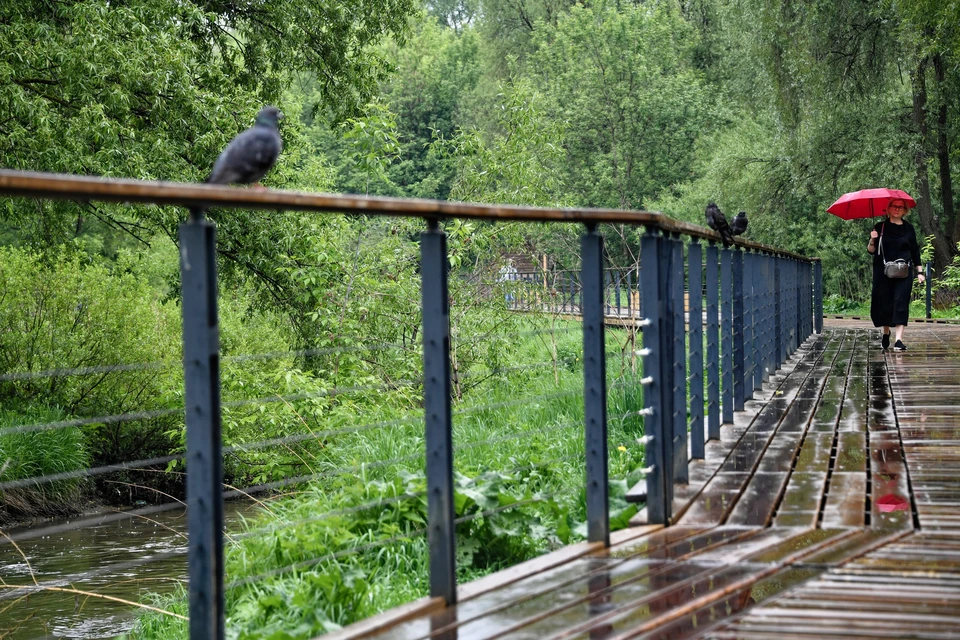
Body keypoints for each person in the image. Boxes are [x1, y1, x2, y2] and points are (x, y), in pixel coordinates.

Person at [867, 198, 925, 351]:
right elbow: (871, 251)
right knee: (885, 303)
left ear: (905, 210)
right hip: (882, 272)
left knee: (901, 302)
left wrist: (920, 271)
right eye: (894, 206)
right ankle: (886, 332)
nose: (897, 209)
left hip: (904, 272)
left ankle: (898, 340)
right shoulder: (880, 227)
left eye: (901, 207)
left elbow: (914, 251)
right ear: (888, 208)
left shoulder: (909, 228)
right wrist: (873, 239)